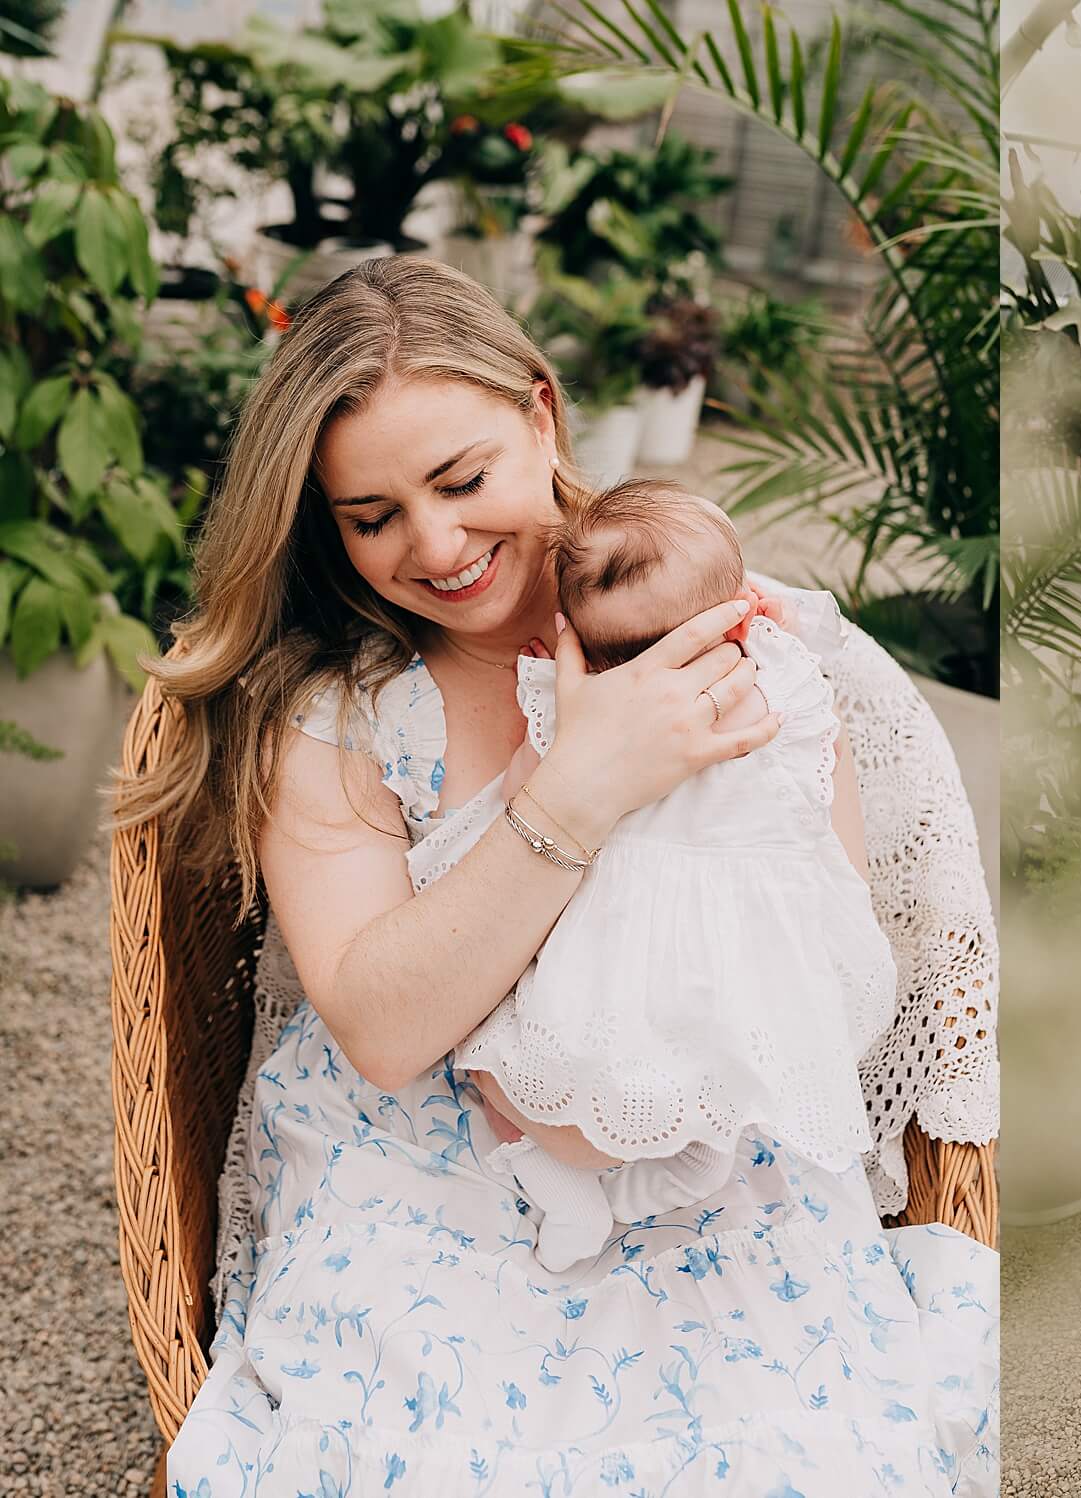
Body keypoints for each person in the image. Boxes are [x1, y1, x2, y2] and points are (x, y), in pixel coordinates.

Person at [116, 256, 997, 1492]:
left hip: (702, 1126)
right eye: (371, 518)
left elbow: (817, 943)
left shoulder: (729, 633)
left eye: (463, 479)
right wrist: (579, 787)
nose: (435, 543)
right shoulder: (342, 716)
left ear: (539, 414)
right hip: (421, 1157)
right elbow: (381, 1028)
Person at [449, 477, 899, 1273]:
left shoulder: (574, 708)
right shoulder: (781, 686)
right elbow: (822, 781)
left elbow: (524, 794)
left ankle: (568, 1184)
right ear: (739, 615)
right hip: (754, 968)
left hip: (626, 958)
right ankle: (641, 1184)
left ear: (577, 642)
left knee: (494, 1064)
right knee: (710, 1120)